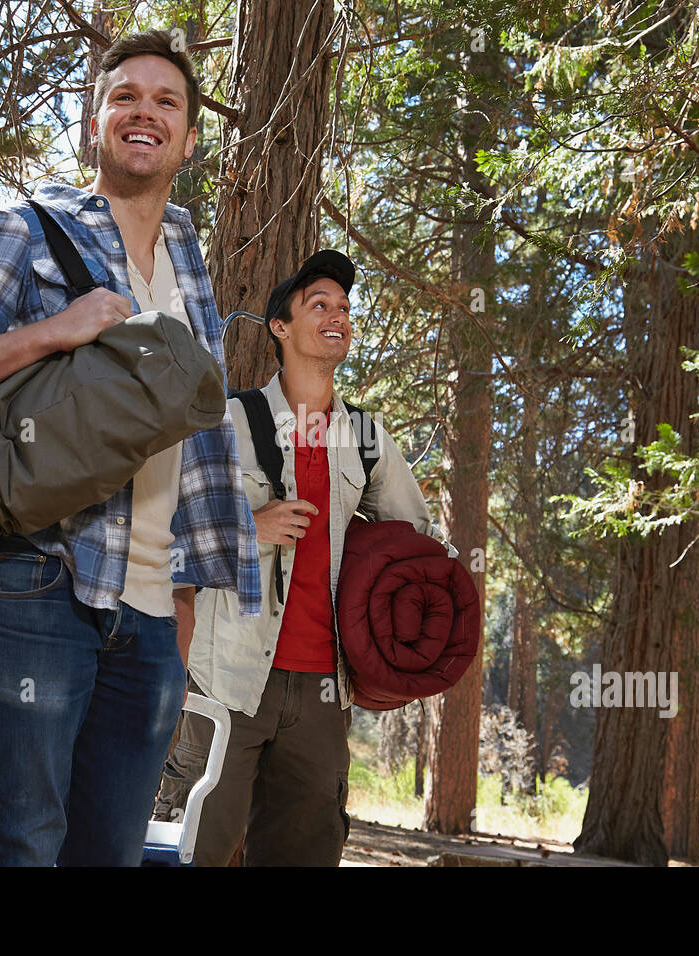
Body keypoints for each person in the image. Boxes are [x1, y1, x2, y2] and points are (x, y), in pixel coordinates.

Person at [0, 30, 260, 866]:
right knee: (21, 848)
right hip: (38, 583)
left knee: (110, 858)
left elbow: (189, 448)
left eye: (168, 101)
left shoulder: (190, 261)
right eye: (125, 96)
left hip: (153, 621)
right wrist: (53, 332)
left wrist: (182, 606)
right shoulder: (22, 229)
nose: (145, 113)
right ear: (93, 124)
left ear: (190, 138)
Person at [154, 250, 452, 866]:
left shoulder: (367, 440)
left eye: (344, 306)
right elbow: (159, 543)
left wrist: (393, 653)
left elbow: (417, 550)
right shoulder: (226, 422)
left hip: (323, 691)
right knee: (195, 850)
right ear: (280, 329)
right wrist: (248, 528)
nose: (337, 314)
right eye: (319, 304)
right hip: (224, 683)